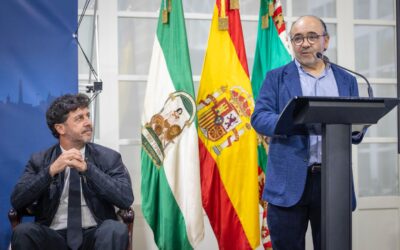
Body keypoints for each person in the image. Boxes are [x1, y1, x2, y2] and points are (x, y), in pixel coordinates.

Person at [251, 15, 362, 250]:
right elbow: (259, 117)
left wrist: (358, 127)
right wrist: (296, 121)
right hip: (288, 184)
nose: (305, 43)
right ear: (291, 43)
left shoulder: (347, 80)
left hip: (333, 181)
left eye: (312, 37)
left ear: (326, 41)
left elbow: (356, 123)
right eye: (298, 38)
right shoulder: (276, 78)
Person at [10, 93, 134, 250]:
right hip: (53, 236)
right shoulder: (39, 160)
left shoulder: (109, 158)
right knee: (24, 231)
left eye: (88, 116)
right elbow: (18, 200)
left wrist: (89, 169)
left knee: (115, 229)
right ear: (60, 128)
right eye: (79, 118)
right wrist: (50, 171)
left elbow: (125, 198)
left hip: (96, 234)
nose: (88, 122)